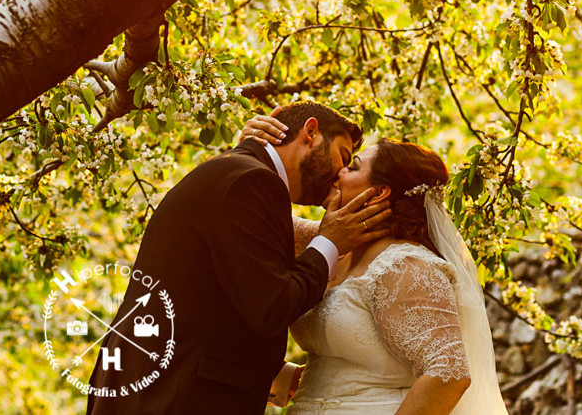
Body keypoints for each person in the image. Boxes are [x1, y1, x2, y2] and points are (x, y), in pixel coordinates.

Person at [85, 102, 392, 414]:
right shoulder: (252, 181)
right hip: (174, 398)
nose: (341, 174)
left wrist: (281, 376)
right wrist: (330, 241)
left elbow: (218, 303)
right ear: (310, 132)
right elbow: (272, 306)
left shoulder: (236, 172)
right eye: (342, 157)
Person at [243, 114, 508, 415]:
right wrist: (255, 152)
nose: (337, 171)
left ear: (380, 193)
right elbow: (247, 214)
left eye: (352, 167)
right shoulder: (333, 244)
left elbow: (449, 373)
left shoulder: (406, 265)